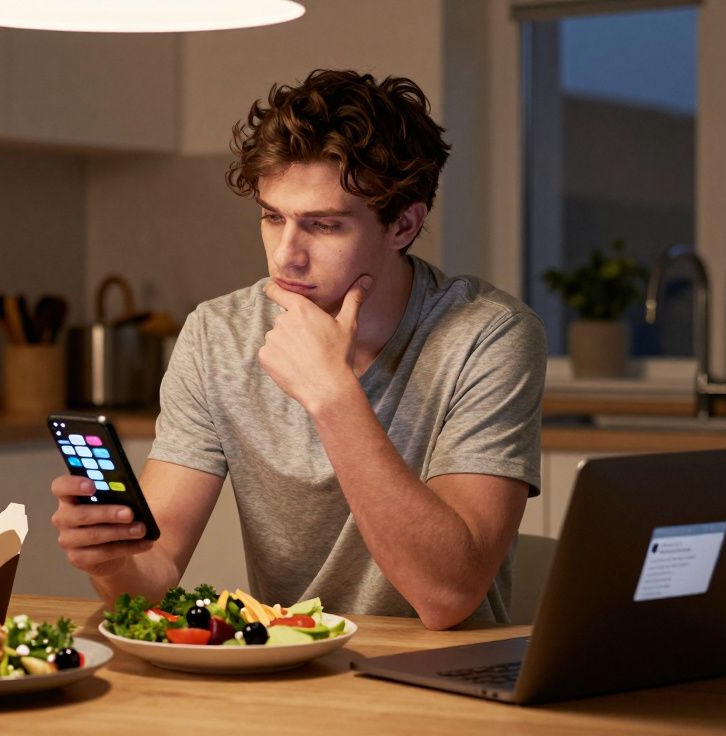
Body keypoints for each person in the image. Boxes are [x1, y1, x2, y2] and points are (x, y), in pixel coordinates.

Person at [50, 69, 546, 629]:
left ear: (404, 225)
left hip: (443, 671)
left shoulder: (489, 335)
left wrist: (332, 395)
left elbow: (448, 596)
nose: (286, 255)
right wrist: (113, 560)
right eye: (272, 217)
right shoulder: (218, 335)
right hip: (291, 664)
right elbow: (153, 571)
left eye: (324, 225)